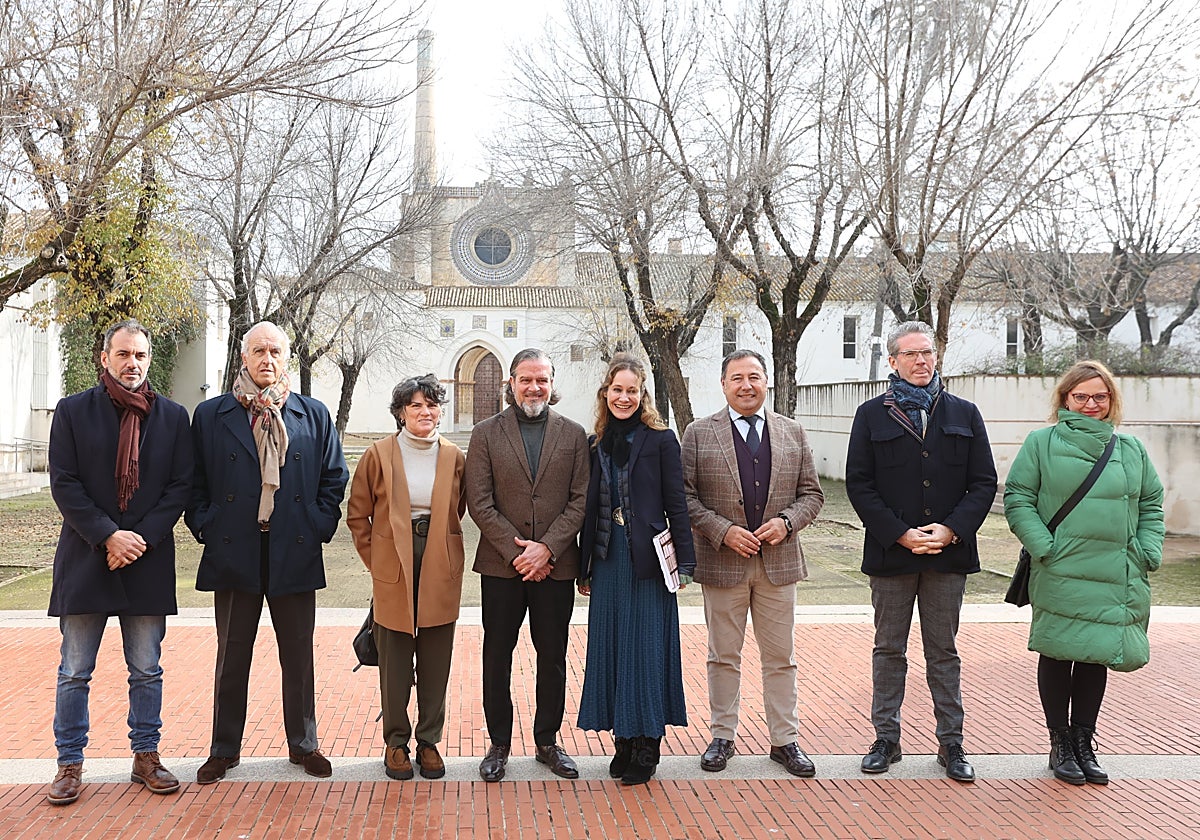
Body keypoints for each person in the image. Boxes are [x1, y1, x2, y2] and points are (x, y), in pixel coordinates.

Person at [186, 321, 348, 784]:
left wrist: (318, 524)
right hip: (235, 549)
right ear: (243, 358)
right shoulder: (212, 414)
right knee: (231, 656)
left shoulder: (311, 413)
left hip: (293, 547)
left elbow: (333, 478)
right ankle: (223, 749)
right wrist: (206, 525)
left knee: (298, 656)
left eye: (275, 350)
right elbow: (194, 480)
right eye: (258, 350)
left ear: (286, 358)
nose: (266, 359)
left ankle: (304, 744)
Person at [44, 319, 193, 805]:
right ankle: (69, 763)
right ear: (104, 358)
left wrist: (138, 538)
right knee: (74, 671)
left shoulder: (172, 417)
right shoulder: (72, 411)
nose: (133, 364)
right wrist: (109, 536)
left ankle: (145, 756)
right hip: (87, 556)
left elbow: (180, 487)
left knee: (147, 669)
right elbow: (65, 483)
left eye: (141, 356)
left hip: (146, 560)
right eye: (124, 354)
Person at [844, 321, 996, 784]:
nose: (921, 361)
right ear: (892, 361)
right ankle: (885, 739)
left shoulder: (964, 413)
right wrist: (900, 534)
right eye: (910, 354)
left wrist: (950, 531)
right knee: (888, 649)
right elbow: (859, 484)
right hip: (893, 555)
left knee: (943, 652)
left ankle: (952, 742)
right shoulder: (871, 415)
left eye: (927, 353)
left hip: (948, 556)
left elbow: (984, 482)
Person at [1004, 360, 1163, 786]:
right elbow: (1018, 498)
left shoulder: (1130, 449)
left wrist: (1147, 550)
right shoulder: (1042, 442)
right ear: (1064, 399)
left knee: (1097, 656)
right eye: (1081, 396)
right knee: (1058, 651)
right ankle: (1059, 743)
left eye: (1100, 396)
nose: (1091, 404)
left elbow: (1151, 504)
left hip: (1116, 572)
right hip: (1060, 568)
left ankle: (1084, 741)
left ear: (1111, 400)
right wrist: (1044, 548)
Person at [680, 349, 824, 777]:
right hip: (723, 564)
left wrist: (786, 522)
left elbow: (812, 495)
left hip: (778, 565)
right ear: (723, 385)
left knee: (781, 657)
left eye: (754, 377)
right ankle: (722, 737)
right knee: (723, 656)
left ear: (766, 383)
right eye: (737, 378)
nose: (746, 385)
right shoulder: (699, 433)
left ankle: (785, 740)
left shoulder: (792, 432)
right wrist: (722, 531)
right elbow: (685, 498)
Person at [465, 348, 589, 782]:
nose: (534, 387)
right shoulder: (484, 434)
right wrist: (519, 552)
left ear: (553, 384)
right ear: (510, 383)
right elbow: (479, 502)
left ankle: (547, 741)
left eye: (542, 380)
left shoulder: (574, 435)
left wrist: (548, 549)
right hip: (502, 568)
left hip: (556, 568)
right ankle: (498, 743)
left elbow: (580, 501)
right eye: (526, 379)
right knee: (497, 655)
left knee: (552, 656)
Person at [576, 354, 697, 785]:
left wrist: (686, 561)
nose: (624, 397)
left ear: (642, 394)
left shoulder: (661, 441)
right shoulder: (595, 444)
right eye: (617, 390)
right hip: (607, 561)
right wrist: (584, 566)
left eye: (632, 390)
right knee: (611, 649)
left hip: (648, 562)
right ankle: (622, 738)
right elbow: (588, 510)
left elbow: (677, 505)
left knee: (645, 649)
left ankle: (647, 742)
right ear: (605, 394)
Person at [346, 374, 467, 781]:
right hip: (392, 561)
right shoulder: (378, 455)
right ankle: (395, 743)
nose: (425, 412)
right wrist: (377, 562)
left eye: (432, 405)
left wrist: (442, 547)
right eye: (415, 405)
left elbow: (458, 509)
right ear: (400, 411)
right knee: (394, 659)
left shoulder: (453, 456)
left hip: (437, 557)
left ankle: (429, 741)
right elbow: (357, 515)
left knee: (435, 657)